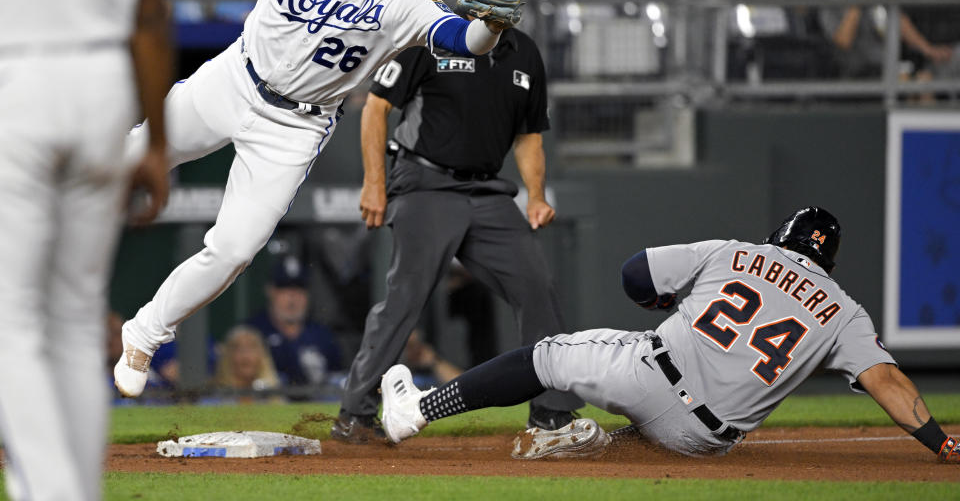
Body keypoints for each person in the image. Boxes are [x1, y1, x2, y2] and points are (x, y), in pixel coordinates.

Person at [113, 0, 517, 399]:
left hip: (295, 127)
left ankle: (144, 333)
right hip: (234, 79)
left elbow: (465, 40)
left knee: (235, 249)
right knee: (124, 163)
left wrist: (494, 23)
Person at [378, 207, 960, 466]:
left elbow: (635, 272)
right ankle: (589, 445)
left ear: (778, 236)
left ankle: (415, 411)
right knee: (664, 425)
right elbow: (886, 379)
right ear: (828, 261)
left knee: (546, 357)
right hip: (702, 440)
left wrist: (660, 301)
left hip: (649, 374)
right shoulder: (844, 312)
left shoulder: (736, 252)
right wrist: (940, 443)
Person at [332, 0, 584, 443]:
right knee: (406, 295)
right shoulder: (431, 34)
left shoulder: (525, 53)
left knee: (536, 286)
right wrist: (375, 184)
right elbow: (376, 107)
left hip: (490, 193)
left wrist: (535, 195)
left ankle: (552, 414)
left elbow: (529, 135)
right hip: (426, 184)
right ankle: (355, 413)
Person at [0, 0, 171, 499]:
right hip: (104, 78)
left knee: (12, 320)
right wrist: (155, 139)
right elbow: (150, 9)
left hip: (18, 71)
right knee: (74, 319)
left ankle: (53, 491)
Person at [246, 254, 343, 391]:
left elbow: (336, 382)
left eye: (299, 289)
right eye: (284, 289)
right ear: (270, 291)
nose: (292, 297)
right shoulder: (253, 331)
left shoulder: (323, 336)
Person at [818, 0, 887, 78]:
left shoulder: (873, 4)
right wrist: (856, 4)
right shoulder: (829, 8)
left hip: (883, 68)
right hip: (850, 74)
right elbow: (844, 42)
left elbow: (892, 35)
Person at [211, 326, 283, 403]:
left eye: (252, 347)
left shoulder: (275, 396)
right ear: (227, 356)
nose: (245, 356)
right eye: (238, 348)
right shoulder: (212, 397)